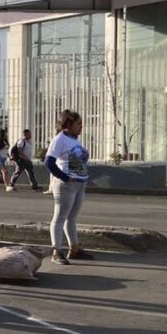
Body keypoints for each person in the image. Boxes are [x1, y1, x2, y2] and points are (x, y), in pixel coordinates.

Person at [45, 109, 92, 265]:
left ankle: (74, 249)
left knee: (72, 218)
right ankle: (56, 251)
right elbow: (49, 162)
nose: (81, 127)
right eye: (78, 123)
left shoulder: (75, 140)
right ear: (69, 124)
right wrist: (65, 177)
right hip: (66, 185)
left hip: (79, 184)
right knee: (60, 217)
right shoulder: (59, 140)